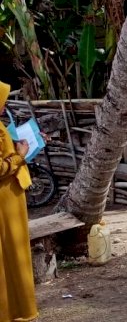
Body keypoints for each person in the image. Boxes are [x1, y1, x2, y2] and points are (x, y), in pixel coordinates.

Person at [0, 81, 39, 321]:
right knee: (10, 254)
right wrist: (19, 156)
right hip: (4, 203)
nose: (4, 105)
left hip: (10, 197)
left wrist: (18, 148)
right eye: (2, 100)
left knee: (16, 254)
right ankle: (12, 311)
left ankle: (19, 308)